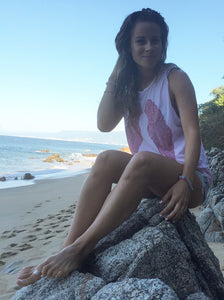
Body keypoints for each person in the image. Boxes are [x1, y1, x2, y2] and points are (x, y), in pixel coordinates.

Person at [17, 8, 212, 287]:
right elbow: (103, 124)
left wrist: (184, 180)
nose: (149, 47)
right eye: (140, 41)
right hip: (150, 177)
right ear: (127, 46)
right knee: (106, 158)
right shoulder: (127, 86)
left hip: (191, 178)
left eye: (155, 40)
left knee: (142, 159)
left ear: (164, 44)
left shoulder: (174, 77)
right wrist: (119, 68)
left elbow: (194, 132)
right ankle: (67, 248)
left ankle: (80, 249)